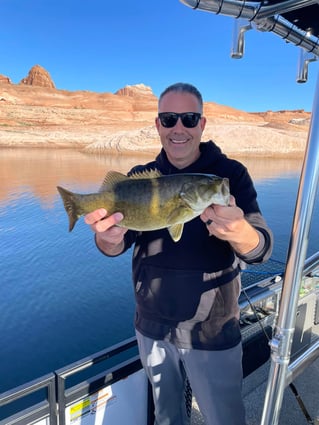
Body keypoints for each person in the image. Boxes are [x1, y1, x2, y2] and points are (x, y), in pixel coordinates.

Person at [84, 82, 273, 425]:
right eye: (169, 119)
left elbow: (260, 248)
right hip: (151, 327)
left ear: (202, 124)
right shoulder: (139, 178)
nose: (178, 128)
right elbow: (113, 246)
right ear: (158, 125)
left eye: (188, 118)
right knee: (168, 417)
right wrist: (107, 238)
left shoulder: (229, 176)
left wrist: (240, 232)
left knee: (225, 419)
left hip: (212, 331)